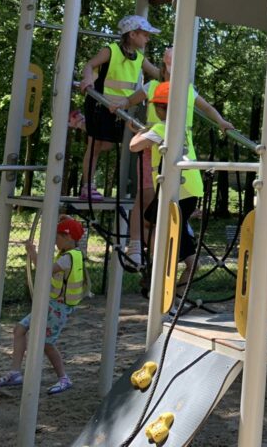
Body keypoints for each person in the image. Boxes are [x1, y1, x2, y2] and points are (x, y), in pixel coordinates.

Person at [116, 47, 234, 268]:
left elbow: (207, 108)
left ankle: (164, 253)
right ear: (164, 69)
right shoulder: (153, 87)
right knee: (147, 201)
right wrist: (121, 107)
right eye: (171, 68)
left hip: (169, 146)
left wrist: (221, 122)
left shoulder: (187, 90)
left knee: (160, 208)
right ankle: (138, 247)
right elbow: (129, 101)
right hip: (154, 147)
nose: (173, 73)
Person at [0, 216, 86, 394]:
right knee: (20, 329)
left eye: (57, 238)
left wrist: (31, 252)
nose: (55, 241)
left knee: (46, 343)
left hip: (58, 308)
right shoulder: (70, 254)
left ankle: (64, 378)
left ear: (67, 237)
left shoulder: (69, 257)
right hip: (50, 304)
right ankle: (15, 372)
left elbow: (44, 270)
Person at [129, 82, 204, 299]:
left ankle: (159, 265)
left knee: (149, 224)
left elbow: (135, 146)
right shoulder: (181, 127)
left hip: (176, 190)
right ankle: (174, 298)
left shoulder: (162, 128)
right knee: (188, 254)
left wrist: (142, 131)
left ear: (160, 109)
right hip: (190, 189)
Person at [77, 15, 161, 199]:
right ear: (132, 34)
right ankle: (87, 186)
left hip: (118, 110)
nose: (147, 39)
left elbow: (158, 73)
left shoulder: (139, 57)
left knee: (107, 144)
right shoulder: (110, 51)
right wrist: (88, 77)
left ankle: (81, 124)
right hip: (100, 103)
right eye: (145, 35)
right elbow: (90, 65)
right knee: (95, 145)